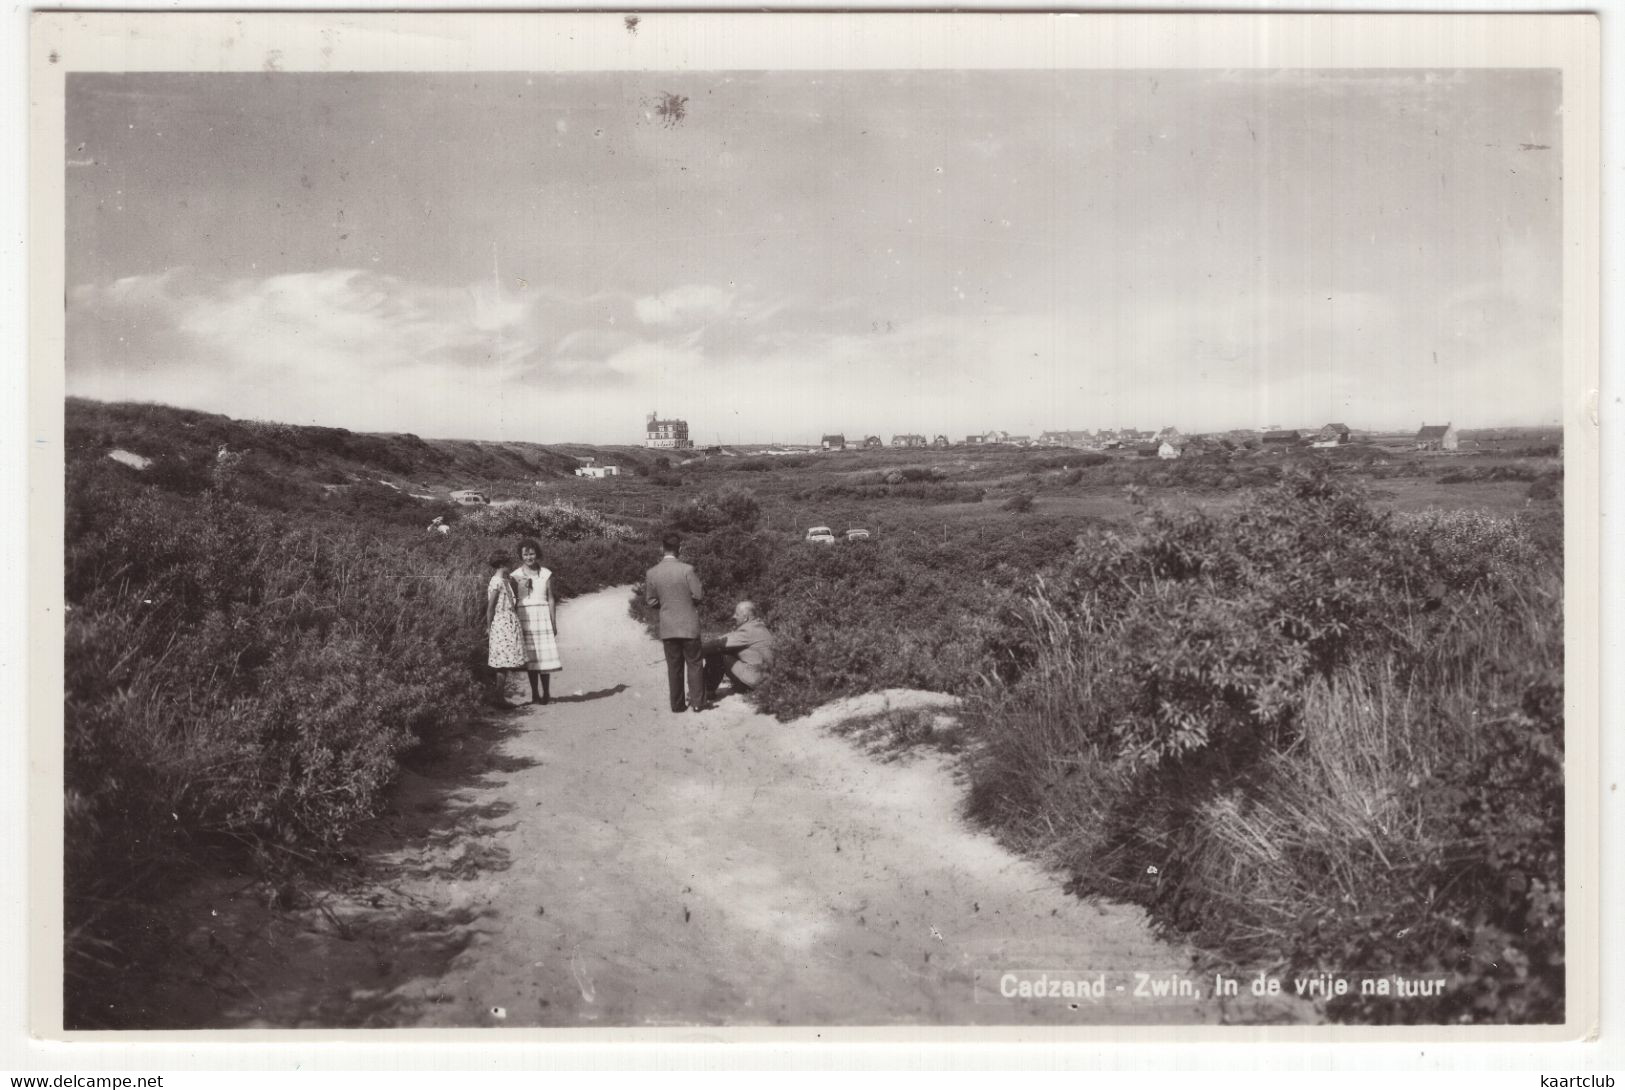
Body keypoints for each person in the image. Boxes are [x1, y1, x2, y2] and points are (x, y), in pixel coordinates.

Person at [645, 532, 705, 713]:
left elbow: (651, 601)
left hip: (668, 626)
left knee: (674, 667)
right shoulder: (687, 569)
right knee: (694, 664)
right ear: (680, 549)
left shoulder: (652, 572)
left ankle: (677, 705)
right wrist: (687, 604)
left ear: (662, 548)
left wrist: (666, 607)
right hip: (689, 625)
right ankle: (697, 703)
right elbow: (699, 595)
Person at [511, 539, 562, 704]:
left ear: (537, 554)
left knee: (544, 656)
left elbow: (551, 598)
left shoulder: (546, 573)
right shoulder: (515, 575)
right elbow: (512, 600)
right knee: (531, 658)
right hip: (525, 617)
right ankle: (535, 694)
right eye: (525, 554)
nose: (529, 557)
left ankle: (546, 693)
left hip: (542, 617)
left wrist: (553, 622)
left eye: (532, 553)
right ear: (520, 555)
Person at [703, 600, 775, 700]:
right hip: (766, 679)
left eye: (737, 614)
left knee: (717, 651)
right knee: (728, 650)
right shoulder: (759, 626)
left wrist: (695, 649)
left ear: (746, 618)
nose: (734, 616)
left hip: (754, 681)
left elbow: (720, 642)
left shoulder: (747, 630)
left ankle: (707, 691)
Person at [483, 553, 526, 707]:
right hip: (501, 623)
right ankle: (498, 698)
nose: (511, 565)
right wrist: (489, 627)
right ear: (502, 564)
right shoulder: (496, 582)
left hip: (508, 622)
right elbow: (491, 608)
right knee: (502, 662)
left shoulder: (504, 581)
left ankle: (499, 697)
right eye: (508, 562)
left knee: (506, 661)